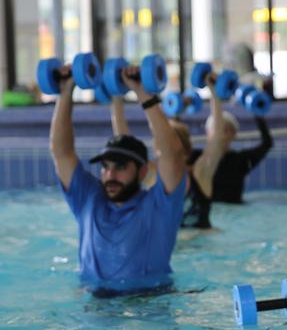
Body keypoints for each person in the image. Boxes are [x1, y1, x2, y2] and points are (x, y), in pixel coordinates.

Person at [50, 65, 186, 294]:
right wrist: (65, 93)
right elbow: (61, 152)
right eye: (105, 167)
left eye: (121, 167)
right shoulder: (88, 200)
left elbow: (171, 155)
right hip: (97, 307)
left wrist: (144, 94)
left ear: (143, 172)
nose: (110, 175)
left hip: (149, 305)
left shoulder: (160, 206)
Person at [113, 77, 228, 229]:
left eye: (172, 151)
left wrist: (214, 92)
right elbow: (124, 145)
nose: (168, 155)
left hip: (200, 247)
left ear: (186, 152)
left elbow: (217, 139)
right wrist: (116, 96)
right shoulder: (152, 176)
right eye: (163, 150)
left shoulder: (200, 174)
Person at [206, 105, 273, 204]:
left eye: (225, 129)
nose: (221, 133)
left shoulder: (242, 160)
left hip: (236, 211)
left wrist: (257, 112)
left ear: (234, 133)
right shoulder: (200, 160)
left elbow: (267, 143)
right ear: (208, 133)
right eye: (217, 128)